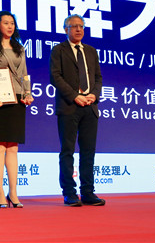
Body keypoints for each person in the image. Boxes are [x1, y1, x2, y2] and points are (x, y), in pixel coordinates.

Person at [49, 14, 105, 207]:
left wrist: (94, 95)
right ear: (66, 29)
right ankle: (69, 193)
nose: (79, 29)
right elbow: (55, 77)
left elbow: (98, 77)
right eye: (74, 26)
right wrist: (75, 96)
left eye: (81, 26)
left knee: (88, 151)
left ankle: (88, 192)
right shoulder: (59, 50)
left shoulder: (90, 51)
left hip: (90, 107)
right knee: (68, 151)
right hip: (69, 106)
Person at [0, 11, 33, 208]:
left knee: (13, 147)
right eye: (6, 23)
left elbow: (24, 74)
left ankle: (13, 192)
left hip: (18, 99)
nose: (10, 26)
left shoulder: (20, 48)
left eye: (12, 23)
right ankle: (0, 192)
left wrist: (28, 93)